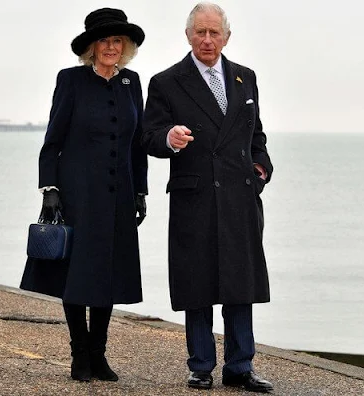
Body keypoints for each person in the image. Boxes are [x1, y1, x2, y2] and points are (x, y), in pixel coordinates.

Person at [142, 2, 274, 393]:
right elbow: (149, 136)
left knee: (240, 283)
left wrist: (261, 168)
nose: (207, 39)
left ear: (227, 37)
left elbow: (256, 137)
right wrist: (169, 138)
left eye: (214, 32)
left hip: (239, 197)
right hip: (195, 196)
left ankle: (241, 366)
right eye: (200, 32)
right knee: (196, 282)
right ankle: (200, 366)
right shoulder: (166, 82)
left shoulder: (244, 78)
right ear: (187, 35)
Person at [20, 8, 148, 383]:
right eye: (104, 41)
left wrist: (140, 190)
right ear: (91, 47)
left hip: (119, 195)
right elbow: (52, 142)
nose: (111, 47)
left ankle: (99, 354)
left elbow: (137, 144)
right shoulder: (71, 81)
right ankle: (79, 354)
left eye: (117, 41)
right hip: (77, 194)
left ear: (124, 47)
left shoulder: (132, 82)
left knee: (107, 275)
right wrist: (50, 190)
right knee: (76, 275)